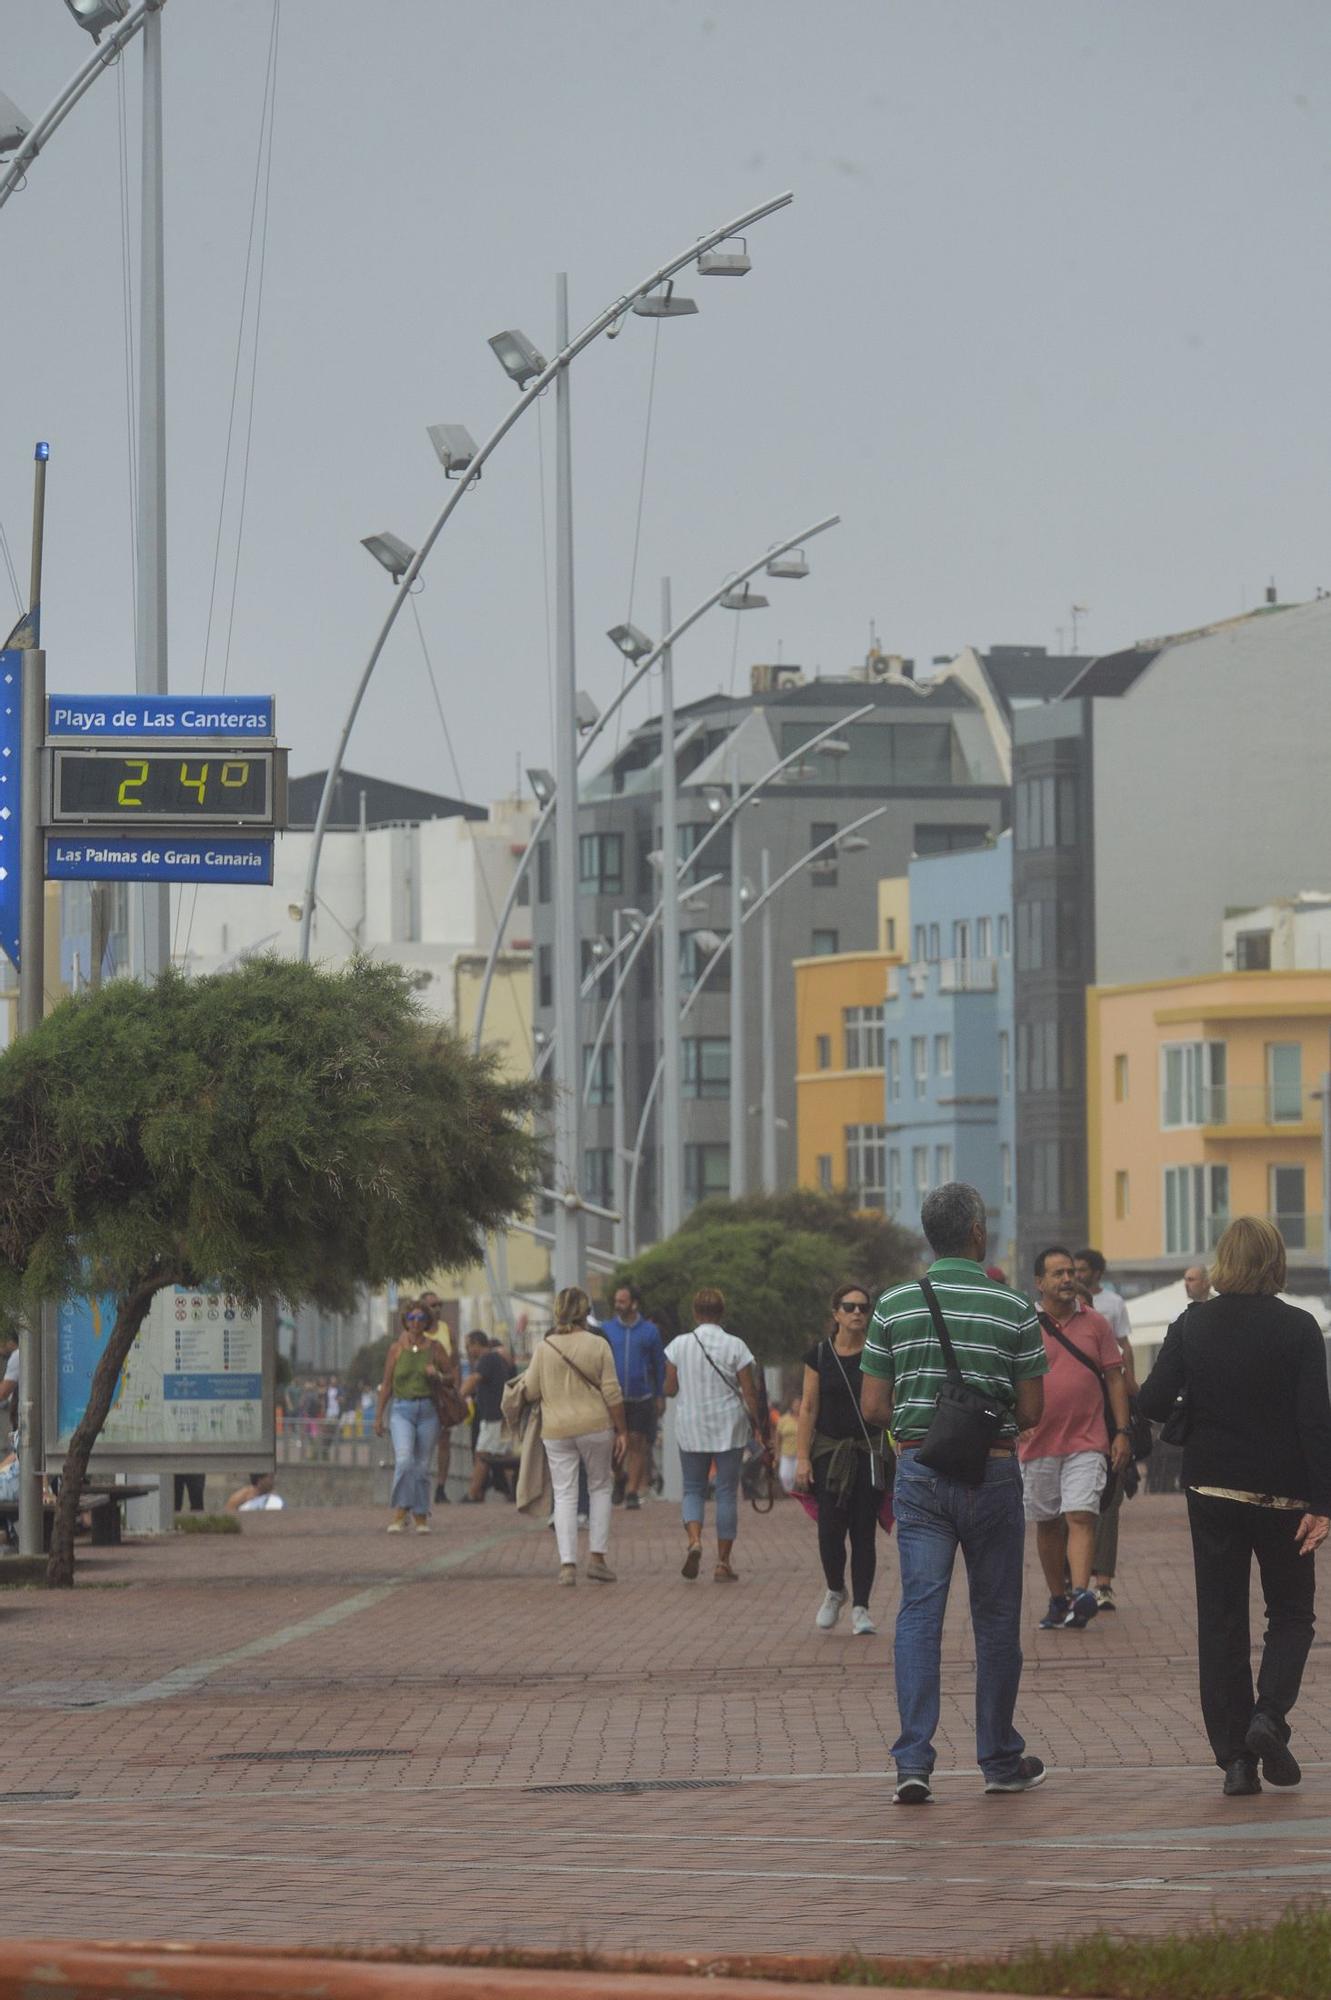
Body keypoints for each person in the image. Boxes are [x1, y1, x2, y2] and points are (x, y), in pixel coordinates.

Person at [861, 1182, 1049, 1803]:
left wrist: (917, 1432)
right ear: (976, 1231)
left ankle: (913, 1759)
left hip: (919, 1471)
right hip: (993, 1472)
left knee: (920, 1613)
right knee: (996, 1619)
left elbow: (872, 1404)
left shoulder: (892, 1306)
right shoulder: (1015, 1308)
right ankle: (998, 1758)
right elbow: (1032, 1410)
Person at [1139, 1216, 1331, 1796]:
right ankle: (1268, 1717)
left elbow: (1150, 1399)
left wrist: (1194, 1401)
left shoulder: (1193, 1324)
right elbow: (1315, 1420)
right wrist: (1323, 1501)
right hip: (1285, 1494)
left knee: (1221, 1619)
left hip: (1212, 1489)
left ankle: (1235, 1763)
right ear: (1275, 1262)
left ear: (1224, 1262)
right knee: (1292, 1612)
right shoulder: (1300, 1328)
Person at [1022, 1248, 1132, 1631]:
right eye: (1058, 1273)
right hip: (1037, 1442)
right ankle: (1058, 1598)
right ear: (1040, 1283)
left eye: (1070, 1272)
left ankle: (1082, 1593)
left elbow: (1115, 1377)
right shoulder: (1024, 1325)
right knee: (1048, 1522)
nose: (1067, 1278)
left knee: (1082, 1514)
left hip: (1088, 1438)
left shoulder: (1097, 1324)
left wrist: (1122, 1431)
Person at [511, 1286, 626, 1584]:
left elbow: (532, 1389)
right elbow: (612, 1391)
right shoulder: (598, 1344)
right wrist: (622, 1430)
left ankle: (567, 1565)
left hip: (556, 1429)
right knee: (600, 1487)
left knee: (564, 1494)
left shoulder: (545, 1347)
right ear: (586, 1313)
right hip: (596, 1426)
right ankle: (598, 1559)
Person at [795, 1282, 890, 1637]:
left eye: (863, 1308)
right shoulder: (819, 1355)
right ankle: (836, 1589)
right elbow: (808, 1407)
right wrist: (802, 1458)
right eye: (849, 1307)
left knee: (864, 1532)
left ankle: (862, 1607)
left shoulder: (879, 1353)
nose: (856, 1313)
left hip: (868, 1453)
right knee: (830, 1531)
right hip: (829, 1455)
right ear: (835, 1313)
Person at [664, 1287, 766, 1583]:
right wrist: (758, 1424)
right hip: (729, 1426)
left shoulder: (678, 1345)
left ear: (695, 1313)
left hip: (691, 1425)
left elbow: (669, 1389)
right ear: (722, 1313)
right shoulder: (736, 1346)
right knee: (725, 1492)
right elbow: (749, 1391)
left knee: (693, 1489)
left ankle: (694, 1540)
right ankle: (722, 1562)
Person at [1074, 1247, 1138, 1614]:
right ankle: (1073, 1580)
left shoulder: (1113, 1306)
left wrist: (1125, 1425)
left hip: (1108, 1429)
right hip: (1072, 1436)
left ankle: (1102, 1583)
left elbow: (1124, 1351)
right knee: (1073, 1511)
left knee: (1108, 1506)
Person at [374, 1299, 449, 1533]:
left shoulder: (435, 1348)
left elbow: (452, 1377)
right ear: (405, 1321)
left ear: (427, 1322)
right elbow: (386, 1385)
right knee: (405, 1460)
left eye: (421, 1318)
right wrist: (378, 1416)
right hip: (402, 1410)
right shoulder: (396, 1349)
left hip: (428, 1411)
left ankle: (420, 1515)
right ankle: (400, 1510)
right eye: (412, 1318)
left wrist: (436, 1374)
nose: (416, 1323)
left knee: (422, 1466)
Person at [601, 1284, 666, 1510]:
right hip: (613, 1398)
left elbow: (659, 1365)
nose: (618, 1305)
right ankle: (619, 1478)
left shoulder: (650, 1331)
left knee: (638, 1442)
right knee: (613, 1445)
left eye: (623, 1301)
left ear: (634, 1304)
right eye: (616, 1301)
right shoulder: (606, 1329)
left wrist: (660, 1395)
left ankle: (632, 1491)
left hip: (641, 1396)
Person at [458, 1330, 514, 1503]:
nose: (467, 1350)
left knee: (483, 1454)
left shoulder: (487, 1359)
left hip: (493, 1416)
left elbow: (474, 1379)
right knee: (503, 1457)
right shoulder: (496, 1359)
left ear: (476, 1344)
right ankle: (512, 1492)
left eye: (469, 1346)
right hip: (501, 1415)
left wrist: (458, 1397)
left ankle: (473, 1493)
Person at [775, 1397, 800, 1494]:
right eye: (795, 1405)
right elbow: (778, 1437)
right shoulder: (783, 1419)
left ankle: (798, 1493)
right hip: (786, 1452)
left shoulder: (805, 1419)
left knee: (797, 1475)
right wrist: (777, 1453)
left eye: (799, 1405)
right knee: (784, 1475)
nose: (797, 1407)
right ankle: (789, 1492)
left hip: (800, 1452)